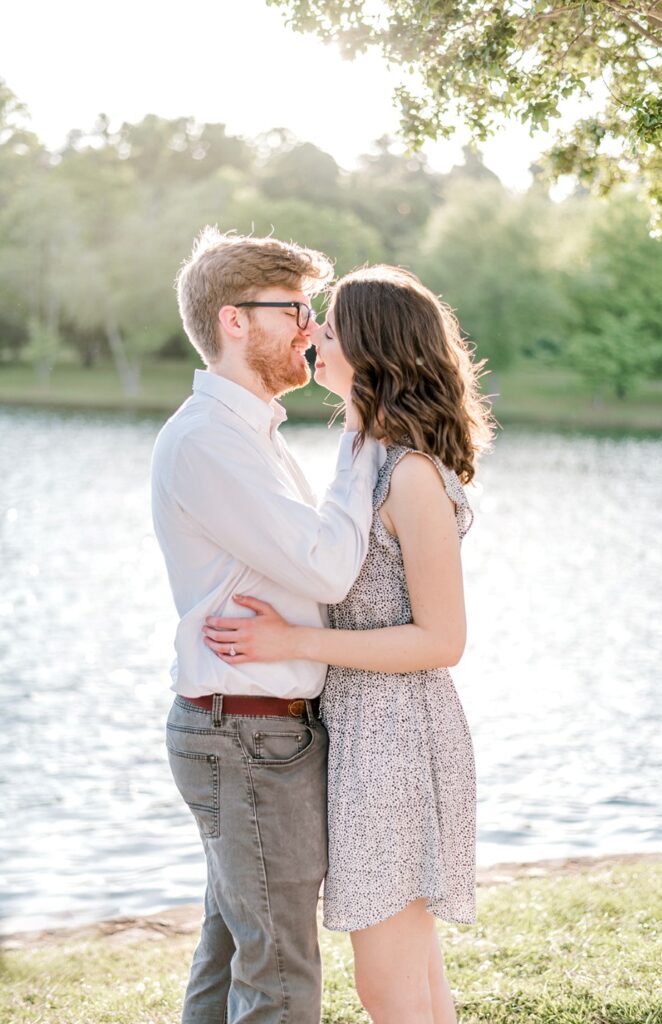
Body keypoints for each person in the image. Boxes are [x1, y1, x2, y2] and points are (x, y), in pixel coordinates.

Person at [202, 265, 494, 1024]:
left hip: (397, 737)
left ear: (370, 347)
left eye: (326, 327)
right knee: (409, 975)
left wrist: (291, 640)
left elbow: (443, 639)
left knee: (390, 983)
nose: (311, 335)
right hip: (365, 730)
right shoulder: (365, 453)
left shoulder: (410, 475)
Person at [150, 229, 385, 1024]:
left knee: (232, 960)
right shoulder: (210, 440)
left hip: (250, 732)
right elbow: (324, 568)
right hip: (245, 737)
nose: (313, 328)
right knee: (279, 977)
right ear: (234, 321)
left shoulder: (248, 435)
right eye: (295, 309)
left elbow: (310, 568)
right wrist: (362, 436)